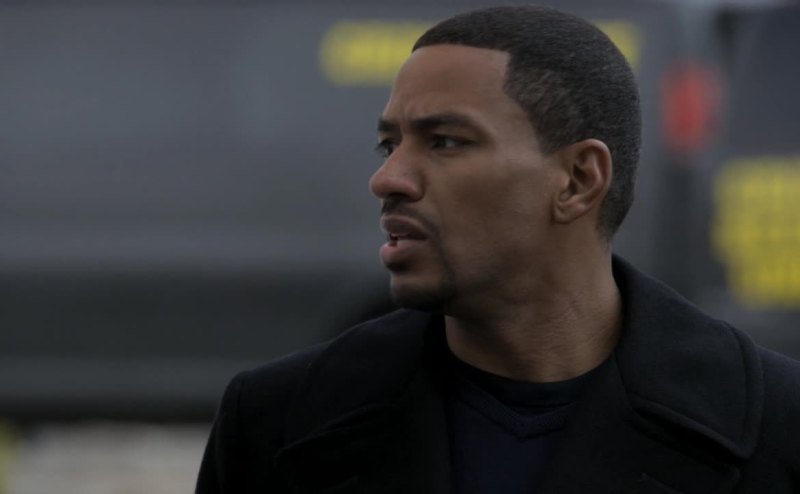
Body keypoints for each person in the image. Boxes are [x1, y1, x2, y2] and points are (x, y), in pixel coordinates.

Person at [196, 6, 800, 493]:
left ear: (578, 179)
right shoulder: (279, 420)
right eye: (389, 146)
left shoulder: (775, 426)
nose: (388, 179)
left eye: (445, 141)